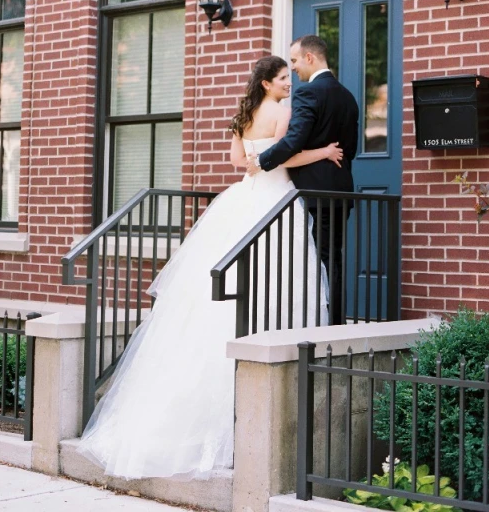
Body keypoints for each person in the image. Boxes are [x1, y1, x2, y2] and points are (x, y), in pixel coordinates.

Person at [77, 56, 344, 481]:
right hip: (276, 201)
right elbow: (287, 155)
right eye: (280, 79)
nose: (287, 85)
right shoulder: (282, 111)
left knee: (215, 296)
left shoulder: (244, 114)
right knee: (278, 281)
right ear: (266, 83)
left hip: (242, 197)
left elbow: (239, 161)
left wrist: (257, 162)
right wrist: (324, 151)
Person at [247, 35, 359, 325]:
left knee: (315, 261)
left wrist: (261, 161)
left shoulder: (309, 93)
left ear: (310, 57)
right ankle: (334, 321)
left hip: (313, 192)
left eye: (295, 60)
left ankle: (323, 325)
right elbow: (352, 150)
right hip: (340, 189)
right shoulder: (348, 96)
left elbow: (294, 140)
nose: (293, 68)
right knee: (331, 258)